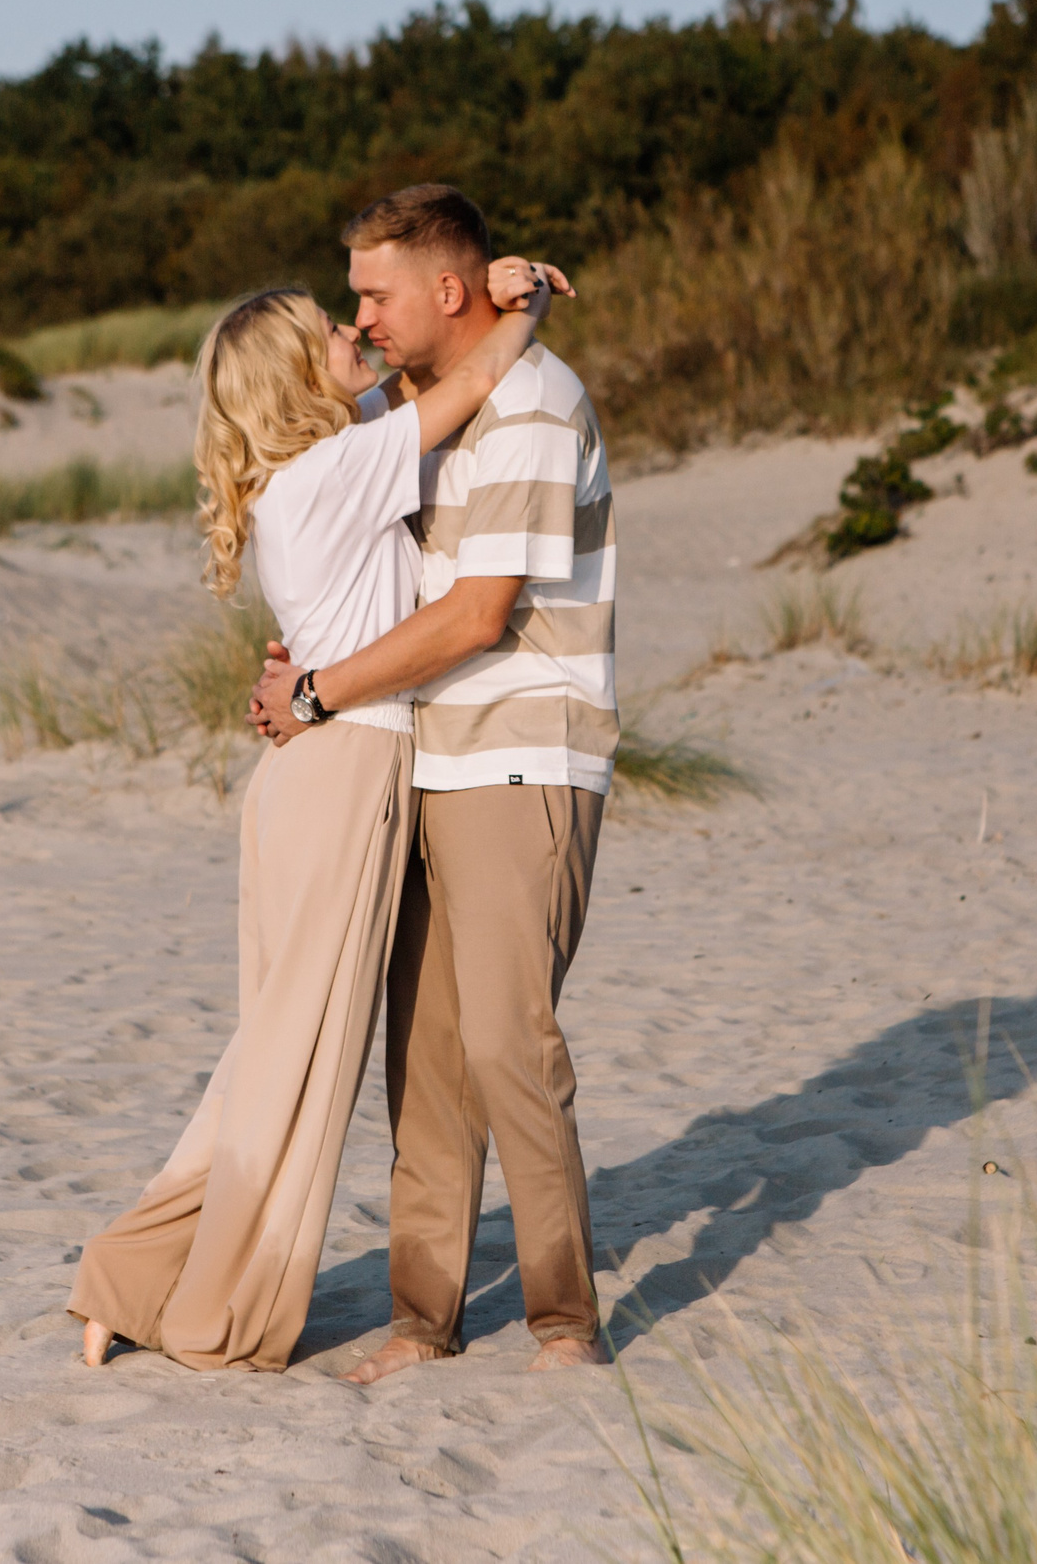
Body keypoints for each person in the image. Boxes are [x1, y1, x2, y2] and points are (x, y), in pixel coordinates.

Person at [66, 252, 568, 1372]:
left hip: (311, 779)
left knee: (272, 1056)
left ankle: (133, 1280)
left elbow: (411, 392)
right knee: (292, 1064)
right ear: (302, 382)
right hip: (343, 779)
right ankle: (164, 1290)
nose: (358, 335)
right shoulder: (340, 470)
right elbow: (475, 379)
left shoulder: (304, 480)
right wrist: (519, 299)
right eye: (334, 337)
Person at [250, 185, 617, 1380]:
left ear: (445, 292)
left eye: (375, 292)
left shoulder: (530, 409)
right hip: (420, 753)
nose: (358, 314)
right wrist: (309, 661)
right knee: (427, 1055)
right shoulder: (418, 404)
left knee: (510, 1044)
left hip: (521, 753)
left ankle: (564, 1319)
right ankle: (424, 1319)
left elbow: (475, 614)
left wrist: (317, 695)